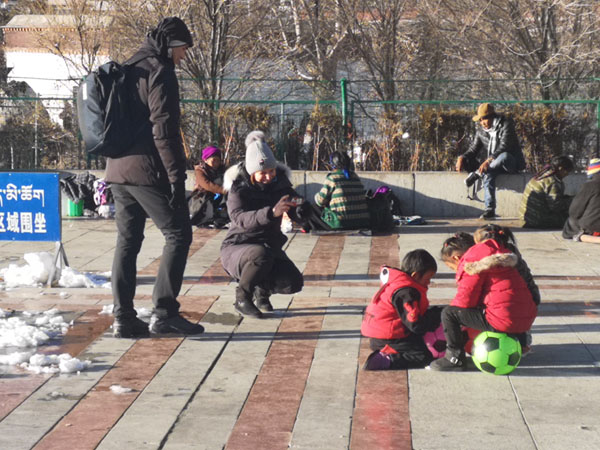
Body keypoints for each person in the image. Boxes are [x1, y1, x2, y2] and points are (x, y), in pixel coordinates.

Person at [104, 17, 204, 338]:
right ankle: (164, 313)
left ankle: (124, 317)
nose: (184, 56)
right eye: (184, 49)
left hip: (117, 169)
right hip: (146, 171)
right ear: (174, 45)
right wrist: (176, 178)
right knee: (179, 234)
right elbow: (165, 130)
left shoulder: (130, 66)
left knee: (128, 241)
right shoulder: (161, 70)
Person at [220, 130, 306, 318]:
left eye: (271, 171)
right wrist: (271, 212)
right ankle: (242, 297)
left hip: (270, 247)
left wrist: (300, 210)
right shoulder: (238, 189)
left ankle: (261, 291)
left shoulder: (280, 185)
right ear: (252, 172)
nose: (268, 177)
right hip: (238, 247)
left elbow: (294, 206)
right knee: (260, 254)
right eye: (262, 173)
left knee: (293, 281)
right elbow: (239, 218)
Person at [430, 225, 537, 371]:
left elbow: (466, 300)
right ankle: (521, 344)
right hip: (528, 315)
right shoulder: (504, 251)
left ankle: (454, 358)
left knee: (449, 314)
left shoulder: (472, 260)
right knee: (502, 305)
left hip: (505, 319)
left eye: (451, 267)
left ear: (456, 258)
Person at [361, 249, 443, 370]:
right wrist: (434, 321)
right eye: (427, 278)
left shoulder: (400, 284)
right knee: (424, 356)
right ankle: (387, 359)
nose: (429, 282)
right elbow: (415, 325)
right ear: (415, 275)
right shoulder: (406, 293)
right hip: (387, 338)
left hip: (383, 334)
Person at [456, 103, 526, 220]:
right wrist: (461, 157)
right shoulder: (481, 131)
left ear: (493, 117)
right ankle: (489, 209)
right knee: (487, 172)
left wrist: (488, 161)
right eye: (480, 120)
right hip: (492, 166)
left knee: (503, 156)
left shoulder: (506, 125)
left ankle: (477, 174)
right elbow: (473, 149)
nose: (482, 122)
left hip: (510, 163)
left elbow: (504, 146)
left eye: (485, 119)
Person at [306, 151, 370, 231]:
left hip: (342, 223)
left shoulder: (333, 178)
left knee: (312, 208)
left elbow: (320, 201)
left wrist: (316, 196)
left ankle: (307, 228)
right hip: (361, 222)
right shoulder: (355, 176)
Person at [519, 156, 574, 228]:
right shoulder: (552, 181)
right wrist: (573, 201)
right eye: (567, 171)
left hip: (524, 218)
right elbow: (556, 207)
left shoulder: (541, 175)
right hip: (536, 221)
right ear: (560, 169)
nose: (567, 174)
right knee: (573, 220)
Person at [562, 158, 600, 244]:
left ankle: (585, 237)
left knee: (570, 223)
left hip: (593, 229)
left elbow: (574, 212)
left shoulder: (590, 185)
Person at [189, 146, 228, 227]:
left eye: (218, 161)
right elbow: (207, 184)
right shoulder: (200, 171)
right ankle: (203, 218)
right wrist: (223, 190)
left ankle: (221, 215)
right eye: (213, 160)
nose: (215, 163)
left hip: (218, 195)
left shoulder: (222, 169)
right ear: (206, 160)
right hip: (204, 195)